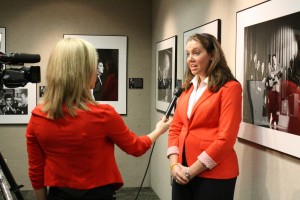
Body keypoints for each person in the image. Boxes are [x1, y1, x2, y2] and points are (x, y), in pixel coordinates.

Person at [26, 38, 172, 200]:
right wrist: (159, 130)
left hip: (58, 195)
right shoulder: (103, 114)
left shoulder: (37, 117)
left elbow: (36, 170)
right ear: (83, 72)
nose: (97, 71)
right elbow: (135, 147)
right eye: (94, 66)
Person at [167, 33, 242, 200]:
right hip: (181, 169)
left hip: (214, 174)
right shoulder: (187, 89)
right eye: (188, 54)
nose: (190, 59)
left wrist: (191, 171)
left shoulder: (230, 88)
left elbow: (226, 139)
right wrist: (174, 165)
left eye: (196, 52)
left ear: (212, 55)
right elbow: (176, 128)